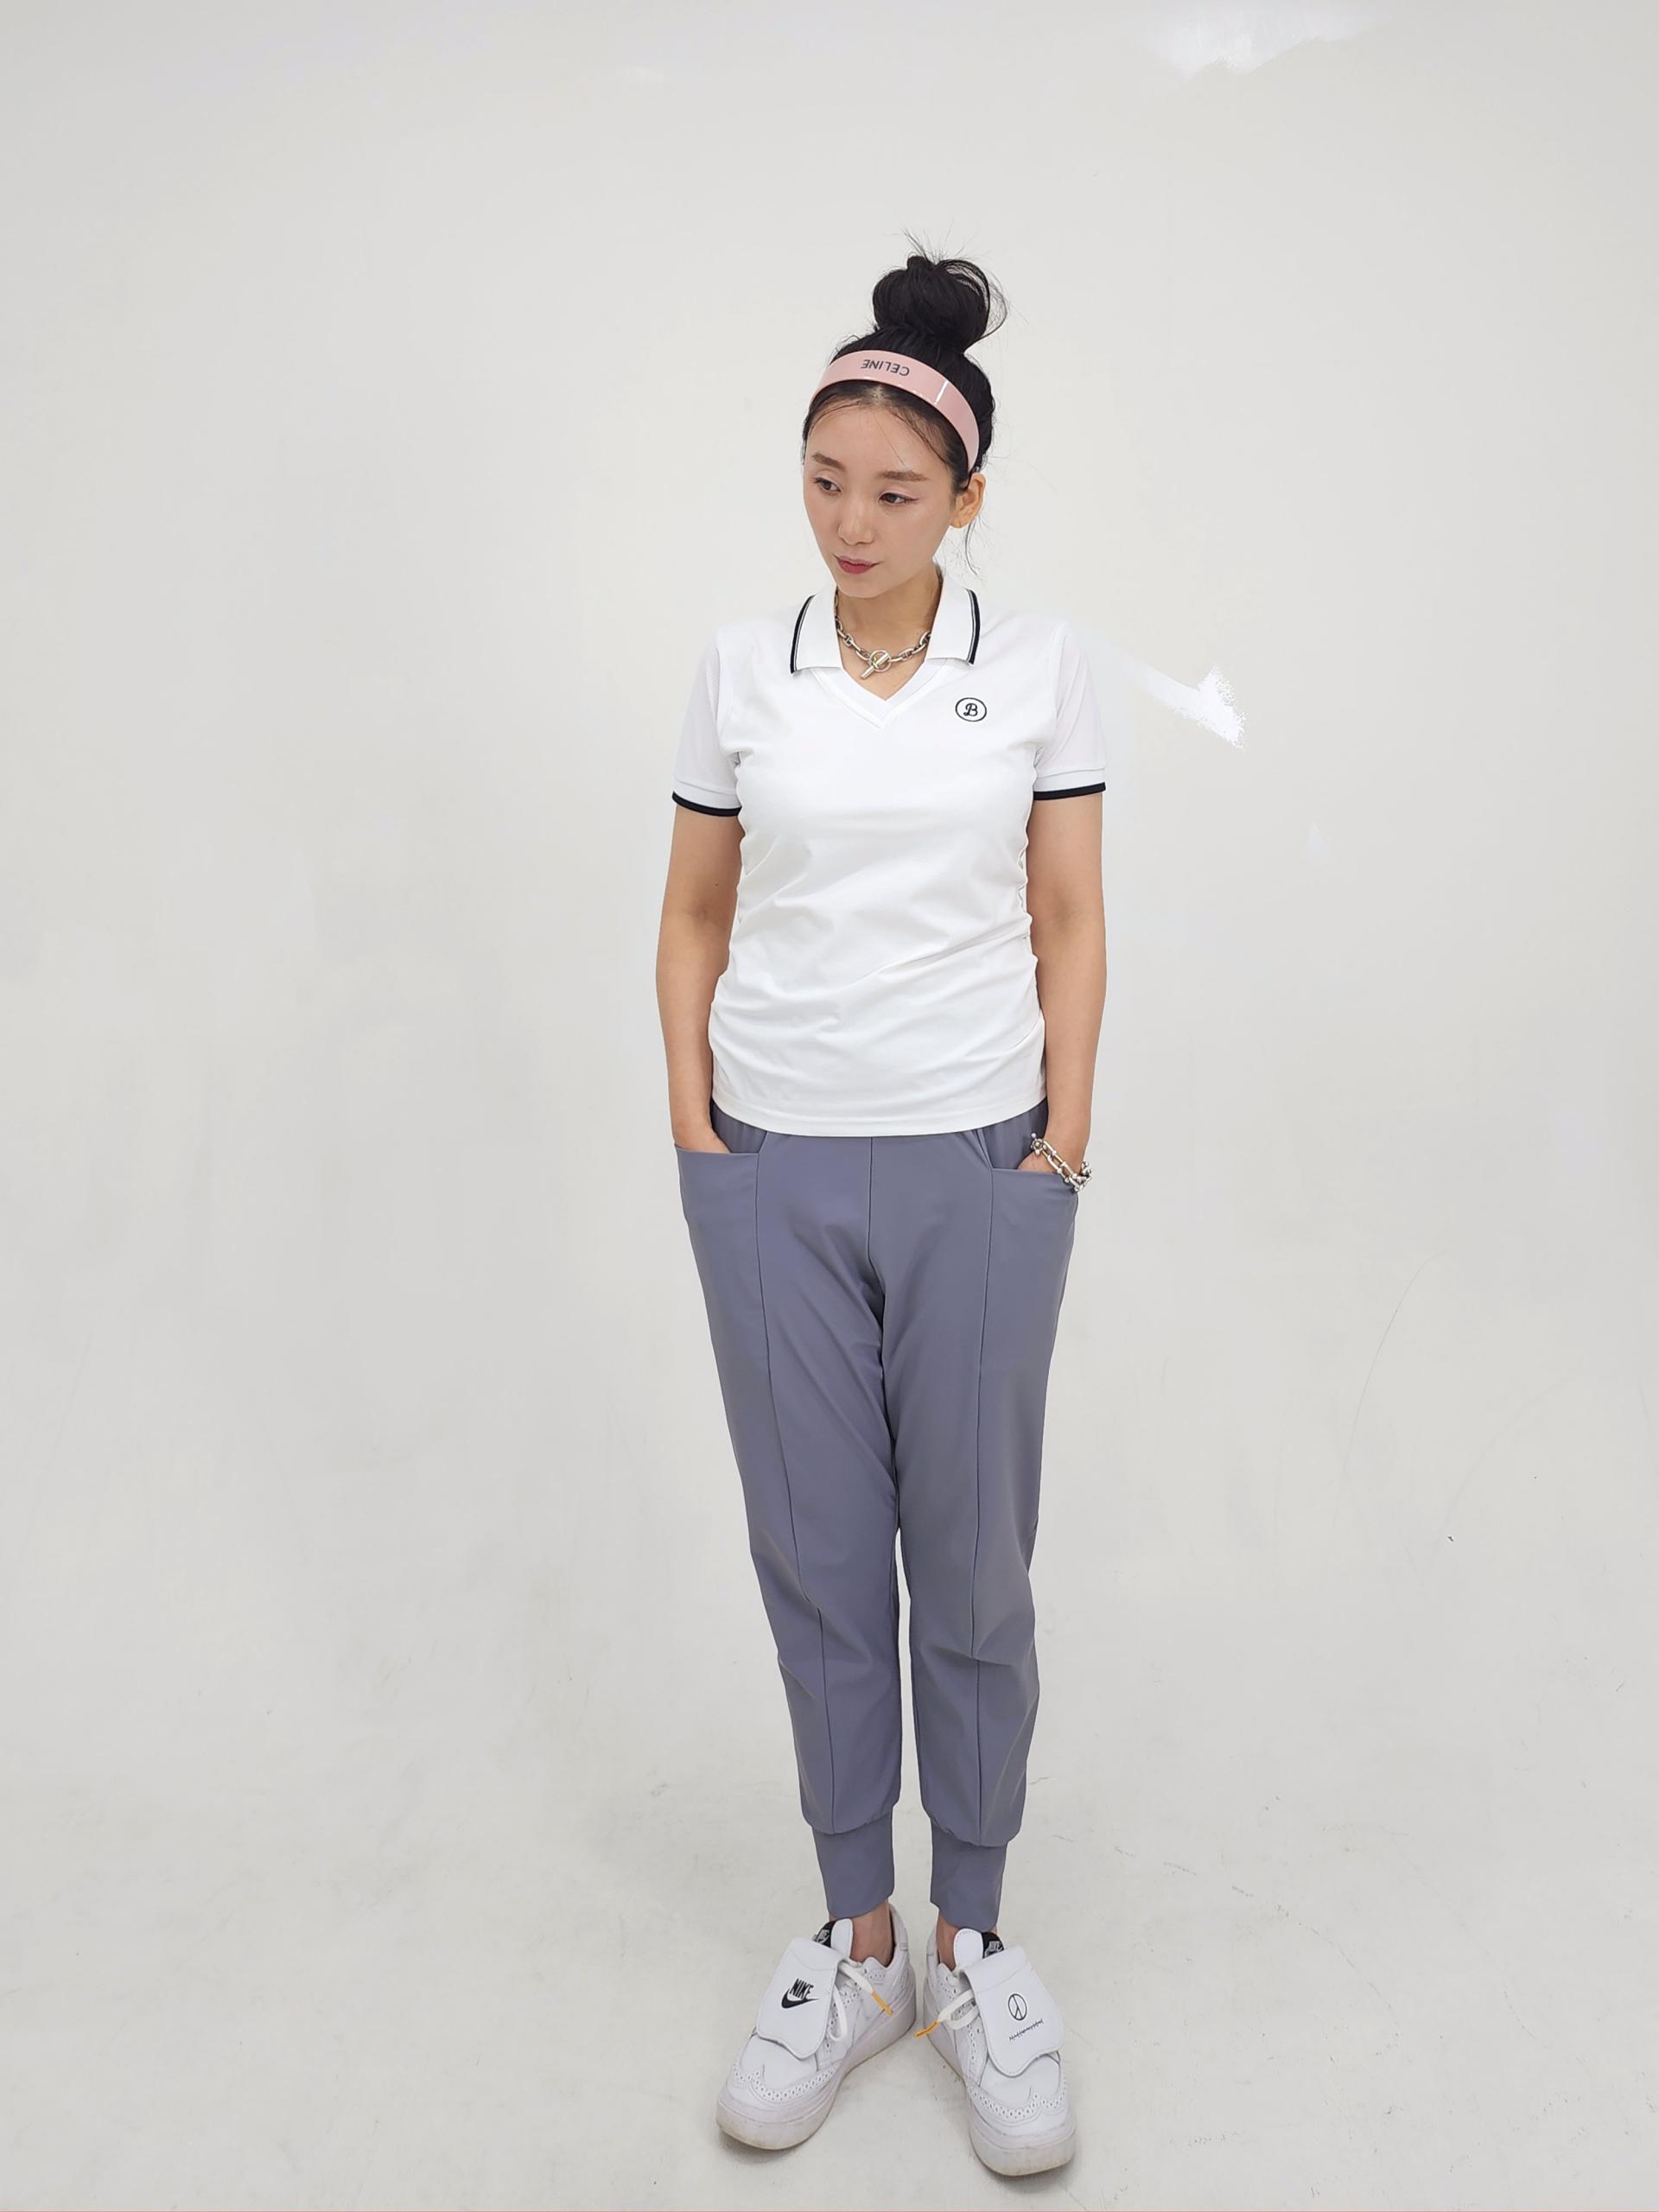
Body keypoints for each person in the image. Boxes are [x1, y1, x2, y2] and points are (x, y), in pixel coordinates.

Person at [654, 247, 1107, 2178]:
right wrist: (701, 1133)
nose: (853, 524)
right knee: (822, 1559)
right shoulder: (739, 668)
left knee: (975, 1562)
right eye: (826, 481)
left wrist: (1059, 1145)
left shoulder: (1040, 666)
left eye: (897, 492)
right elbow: (695, 908)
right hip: (770, 1163)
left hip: (978, 1159)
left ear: (967, 497)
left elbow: (1069, 913)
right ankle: (855, 1943)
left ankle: (972, 1937)